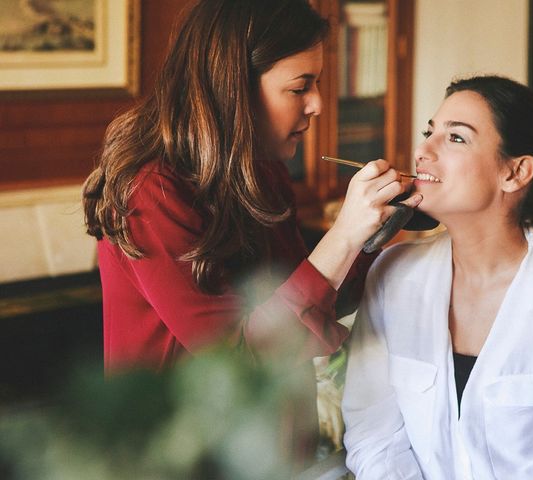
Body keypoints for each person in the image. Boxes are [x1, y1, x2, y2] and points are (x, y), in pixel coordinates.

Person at [82, 0, 421, 373]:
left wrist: (377, 229)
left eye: (318, 83)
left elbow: (314, 305)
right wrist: (343, 234)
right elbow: (241, 359)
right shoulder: (150, 192)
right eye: (299, 88)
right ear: (233, 88)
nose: (318, 105)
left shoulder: (262, 171)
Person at [342, 75, 533, 479]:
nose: (421, 150)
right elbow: (372, 434)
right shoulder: (392, 275)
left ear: (515, 172)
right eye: (429, 132)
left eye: (456, 138)